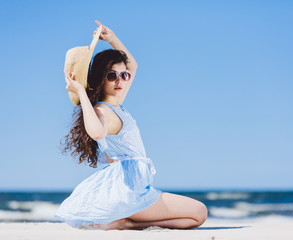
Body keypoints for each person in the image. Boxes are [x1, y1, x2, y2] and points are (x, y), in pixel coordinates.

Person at [54, 20, 208, 230]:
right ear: (101, 78)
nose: (120, 80)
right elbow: (97, 133)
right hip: (130, 191)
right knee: (199, 212)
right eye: (112, 75)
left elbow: (133, 65)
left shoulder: (116, 103)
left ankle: (125, 222)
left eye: (123, 75)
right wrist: (81, 91)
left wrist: (111, 37)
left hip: (136, 188)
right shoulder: (102, 110)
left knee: (195, 216)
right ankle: (125, 222)